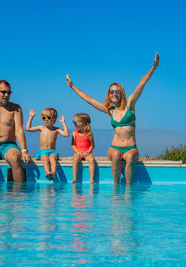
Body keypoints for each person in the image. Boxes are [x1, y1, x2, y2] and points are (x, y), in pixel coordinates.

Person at [66, 52, 159, 185]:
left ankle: (128, 190)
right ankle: (116, 188)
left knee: (131, 157)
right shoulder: (110, 110)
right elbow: (89, 99)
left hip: (130, 147)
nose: (114, 94)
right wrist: (72, 86)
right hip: (115, 147)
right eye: (111, 92)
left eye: (117, 91)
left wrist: (153, 68)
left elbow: (141, 84)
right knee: (115, 156)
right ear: (109, 95)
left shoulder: (130, 105)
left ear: (121, 93)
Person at [25, 107, 69, 180]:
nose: (46, 119)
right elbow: (28, 128)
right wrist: (31, 117)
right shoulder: (41, 128)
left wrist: (63, 123)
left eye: (48, 117)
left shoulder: (57, 129)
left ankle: (53, 173)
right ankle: (48, 172)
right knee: (45, 158)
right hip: (43, 151)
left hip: (52, 151)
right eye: (43, 117)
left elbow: (66, 134)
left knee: (53, 158)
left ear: (54, 119)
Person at [71, 113, 96, 184]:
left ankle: (91, 179)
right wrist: (77, 152)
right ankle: (74, 178)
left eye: (75, 123)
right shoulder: (74, 133)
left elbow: (92, 145)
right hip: (78, 153)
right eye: (74, 122)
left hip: (86, 153)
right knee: (75, 159)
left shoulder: (89, 134)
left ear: (84, 124)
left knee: (91, 159)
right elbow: (73, 145)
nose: (74, 124)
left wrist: (88, 152)